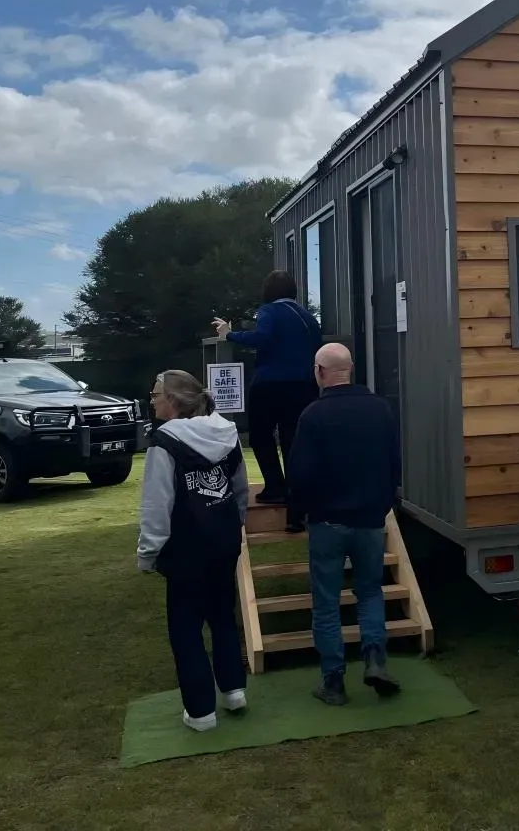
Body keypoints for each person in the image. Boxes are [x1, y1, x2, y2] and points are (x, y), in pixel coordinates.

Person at [287, 343, 403, 707]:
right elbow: (393, 464)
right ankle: (374, 660)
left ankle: (333, 682)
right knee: (370, 592)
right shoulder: (380, 409)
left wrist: (302, 512)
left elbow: (300, 474)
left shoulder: (313, 415)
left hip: (327, 521)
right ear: (349, 369)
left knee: (326, 602)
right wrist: (384, 504)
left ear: (320, 371)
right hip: (370, 519)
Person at [137, 370, 250, 732]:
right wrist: (235, 526)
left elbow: (158, 503)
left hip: (187, 545)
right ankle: (234, 690)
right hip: (224, 539)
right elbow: (240, 489)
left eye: (155, 393)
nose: (151, 399)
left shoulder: (164, 441)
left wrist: (147, 551)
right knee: (222, 615)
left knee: (185, 626)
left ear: (174, 399)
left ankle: (201, 711)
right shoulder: (227, 432)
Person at [213, 270, 322, 526]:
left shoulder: (269, 312)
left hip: (271, 384)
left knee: (261, 436)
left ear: (269, 291)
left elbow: (261, 338)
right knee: (292, 441)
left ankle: (275, 488)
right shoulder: (308, 317)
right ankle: (296, 502)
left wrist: (229, 334)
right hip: (305, 385)